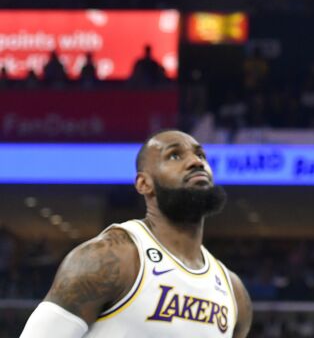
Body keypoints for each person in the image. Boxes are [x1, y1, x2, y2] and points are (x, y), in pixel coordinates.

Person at [19, 130, 252, 337]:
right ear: (144, 184)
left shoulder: (234, 292)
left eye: (200, 155)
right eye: (174, 155)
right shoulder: (106, 259)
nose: (195, 162)